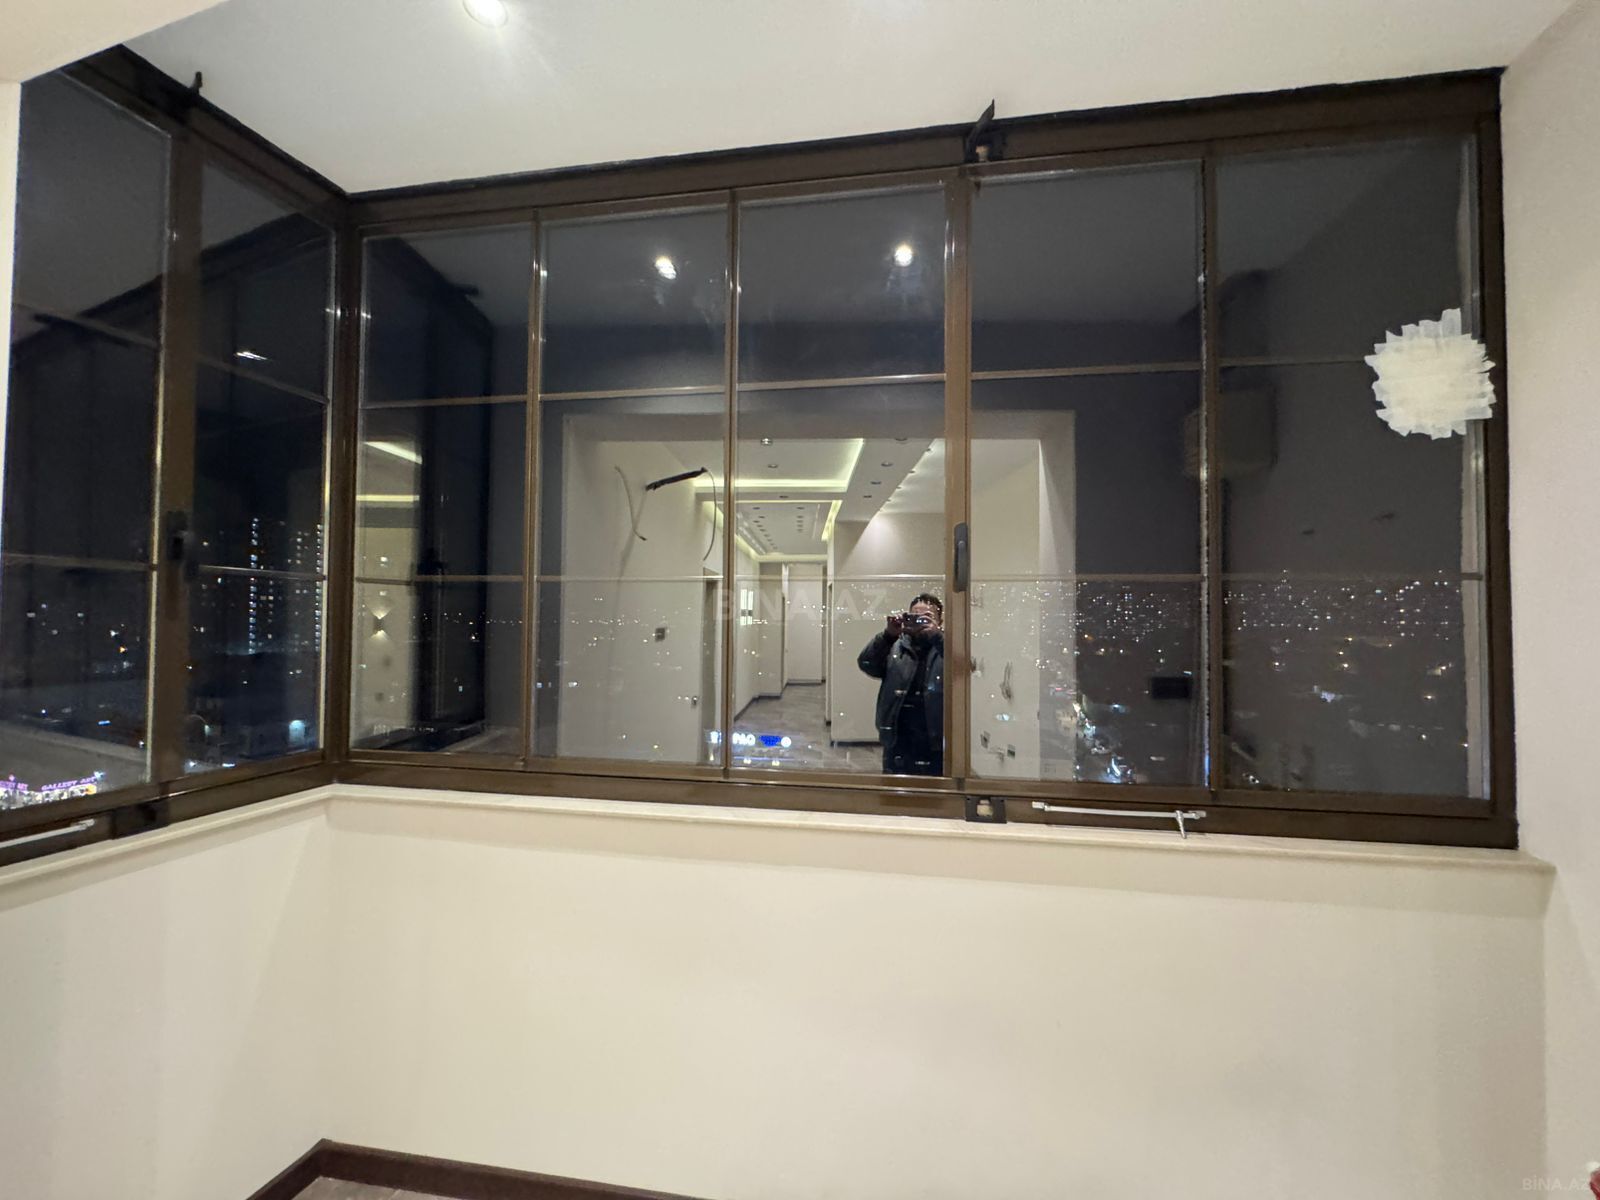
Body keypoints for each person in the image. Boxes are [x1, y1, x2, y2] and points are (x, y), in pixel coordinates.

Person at [857, 593, 944, 776]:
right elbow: (867, 664)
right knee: (894, 789)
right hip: (898, 738)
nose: (920, 622)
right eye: (915, 617)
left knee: (935, 790)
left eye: (926, 618)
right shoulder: (895, 646)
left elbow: (965, 669)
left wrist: (938, 637)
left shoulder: (947, 648)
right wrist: (887, 636)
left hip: (937, 739)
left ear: (939, 621)